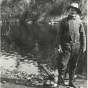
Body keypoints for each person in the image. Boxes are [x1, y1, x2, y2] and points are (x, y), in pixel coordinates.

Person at [57, 3, 86, 88]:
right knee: (63, 64)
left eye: (74, 10)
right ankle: (60, 83)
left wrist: (84, 46)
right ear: (69, 10)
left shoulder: (79, 21)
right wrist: (59, 46)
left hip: (76, 45)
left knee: (73, 64)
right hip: (66, 45)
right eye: (71, 10)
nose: (73, 11)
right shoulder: (63, 21)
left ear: (77, 12)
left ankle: (71, 82)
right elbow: (59, 35)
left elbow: (83, 35)